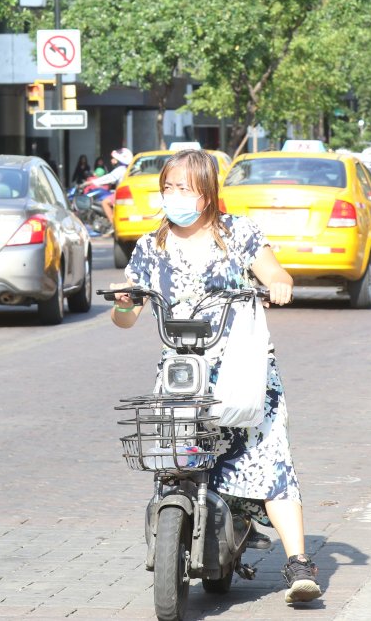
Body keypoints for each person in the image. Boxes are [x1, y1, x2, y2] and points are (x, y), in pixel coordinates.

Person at [109, 149, 319, 603]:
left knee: (267, 455)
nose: (174, 196)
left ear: (206, 192)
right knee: (176, 458)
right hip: (183, 371)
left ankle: (298, 562)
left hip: (241, 369)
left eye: (183, 187)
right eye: (168, 187)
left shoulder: (237, 234)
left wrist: (280, 283)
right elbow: (125, 316)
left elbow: (274, 271)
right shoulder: (150, 247)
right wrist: (124, 305)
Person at [92, 147, 133, 224]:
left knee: (105, 202)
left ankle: (113, 223)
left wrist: (92, 182)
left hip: (123, 194)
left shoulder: (121, 169)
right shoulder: (127, 169)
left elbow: (109, 178)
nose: (111, 161)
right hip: (126, 193)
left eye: (113, 159)